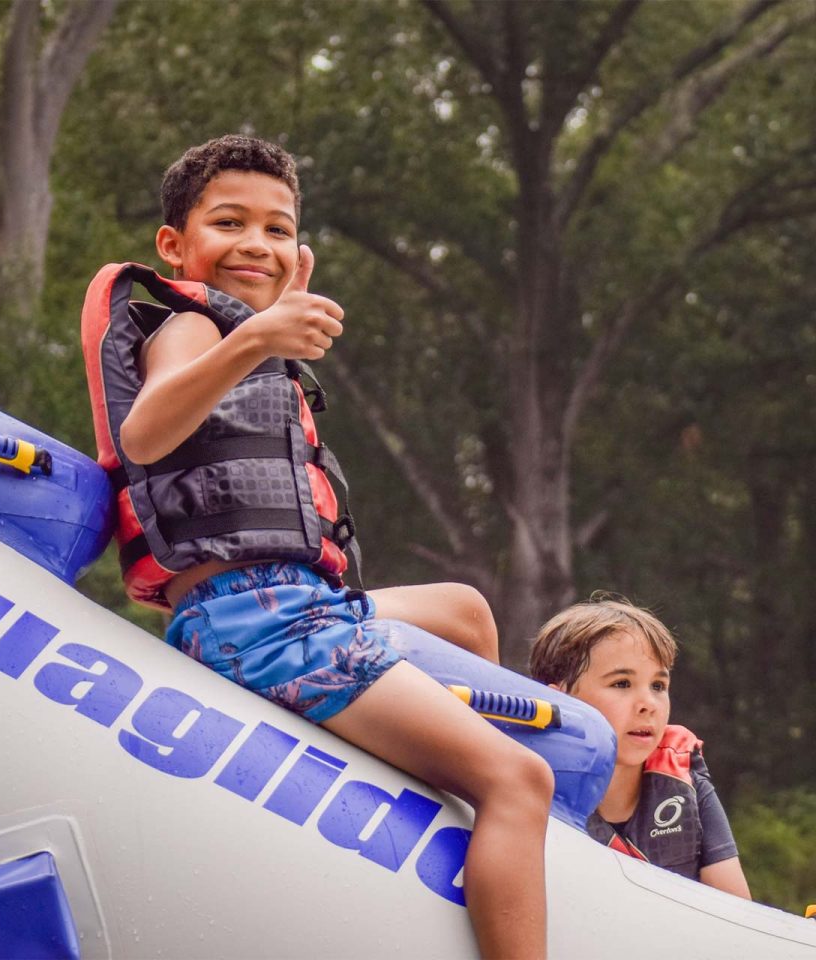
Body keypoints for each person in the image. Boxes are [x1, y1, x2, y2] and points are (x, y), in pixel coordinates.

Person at [85, 134, 551, 957]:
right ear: (175, 245)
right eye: (230, 223)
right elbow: (146, 432)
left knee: (467, 612)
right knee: (520, 779)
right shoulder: (188, 330)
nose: (255, 245)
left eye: (276, 228)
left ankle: (458, 799)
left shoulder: (242, 342)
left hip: (300, 607)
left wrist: (259, 341)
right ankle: (504, 827)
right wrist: (255, 340)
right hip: (253, 621)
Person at [529, 596, 751, 898]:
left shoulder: (687, 784)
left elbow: (738, 913)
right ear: (560, 700)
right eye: (622, 684)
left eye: (658, 686)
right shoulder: (528, 787)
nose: (649, 704)